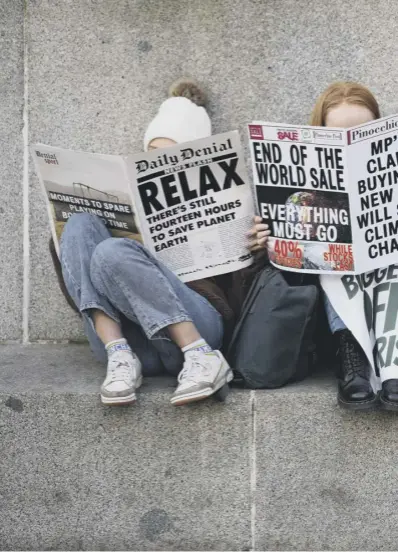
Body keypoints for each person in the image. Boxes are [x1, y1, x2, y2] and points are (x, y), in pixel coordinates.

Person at [50, 78, 270, 407]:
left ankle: (201, 358)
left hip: (199, 326)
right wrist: (63, 238)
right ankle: (119, 356)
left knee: (113, 252)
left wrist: (255, 250)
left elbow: (243, 303)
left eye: (172, 154)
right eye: (154, 154)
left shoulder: (229, 199)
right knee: (80, 224)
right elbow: (81, 293)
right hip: (132, 340)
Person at [310, 81, 398, 410]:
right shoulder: (301, 188)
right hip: (333, 300)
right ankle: (353, 357)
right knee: (331, 254)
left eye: (363, 134)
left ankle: (393, 365)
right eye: (338, 137)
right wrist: (267, 243)